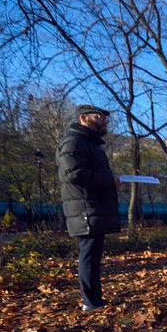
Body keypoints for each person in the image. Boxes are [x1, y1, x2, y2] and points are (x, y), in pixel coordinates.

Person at [56, 105, 120, 312]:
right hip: (84, 208)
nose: (103, 121)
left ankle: (95, 300)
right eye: (98, 116)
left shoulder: (88, 143)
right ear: (83, 118)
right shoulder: (74, 141)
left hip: (91, 207)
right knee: (89, 255)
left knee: (93, 255)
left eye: (104, 118)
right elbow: (74, 174)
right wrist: (110, 181)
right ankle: (91, 302)